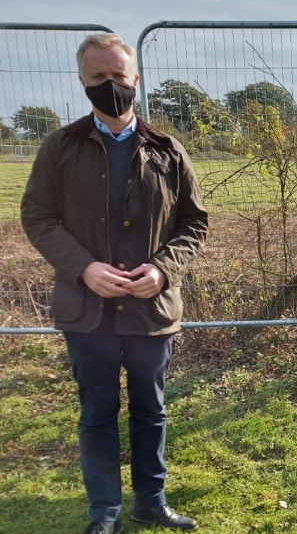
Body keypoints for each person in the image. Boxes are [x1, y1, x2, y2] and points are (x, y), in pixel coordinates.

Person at [20, 33, 208, 534]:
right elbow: (37, 216)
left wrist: (164, 269)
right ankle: (104, 513)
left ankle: (152, 501)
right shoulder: (60, 147)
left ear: (135, 80)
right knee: (97, 411)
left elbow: (194, 223)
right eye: (98, 77)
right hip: (87, 311)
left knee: (151, 410)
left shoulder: (169, 151)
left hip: (152, 311)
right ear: (83, 81)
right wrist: (83, 268)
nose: (111, 86)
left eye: (118, 77)